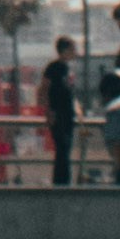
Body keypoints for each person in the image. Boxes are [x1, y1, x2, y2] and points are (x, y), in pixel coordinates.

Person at [41, 34, 79, 187]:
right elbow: (44, 89)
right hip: (57, 113)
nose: (75, 52)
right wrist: (48, 111)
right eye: (73, 49)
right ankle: (60, 182)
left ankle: (65, 181)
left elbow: (70, 92)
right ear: (64, 50)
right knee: (61, 147)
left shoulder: (68, 68)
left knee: (67, 148)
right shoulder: (53, 67)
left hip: (69, 113)